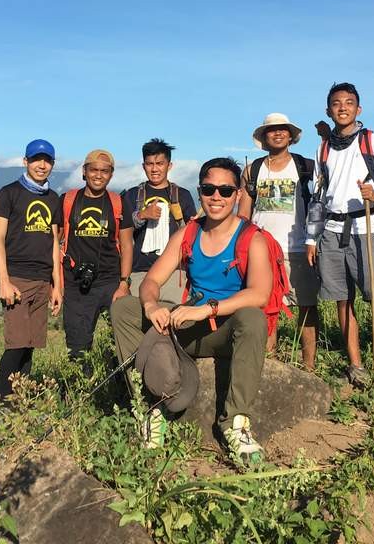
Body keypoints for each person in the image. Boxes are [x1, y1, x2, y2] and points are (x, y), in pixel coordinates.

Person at [110, 157, 271, 464]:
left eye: (226, 190)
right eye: (209, 189)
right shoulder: (189, 233)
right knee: (124, 309)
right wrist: (151, 304)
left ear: (238, 195)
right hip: (189, 326)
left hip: (224, 330)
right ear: (200, 192)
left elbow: (260, 294)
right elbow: (153, 280)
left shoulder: (252, 238)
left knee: (252, 317)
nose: (217, 197)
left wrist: (208, 310)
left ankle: (235, 423)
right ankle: (149, 405)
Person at [307, 82, 374, 387]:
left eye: (349, 102)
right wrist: (311, 238)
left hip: (365, 226)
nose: (343, 107)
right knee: (341, 299)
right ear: (328, 110)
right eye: (337, 103)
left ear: (358, 109)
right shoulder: (323, 148)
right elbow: (317, 196)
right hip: (331, 230)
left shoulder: (372, 142)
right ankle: (356, 363)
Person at [238, 113, 320, 370]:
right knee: (267, 309)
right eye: (271, 130)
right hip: (262, 250)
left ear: (290, 135)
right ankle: (270, 365)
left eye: (282, 129)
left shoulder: (305, 166)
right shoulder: (253, 170)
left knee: (306, 306)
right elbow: (244, 211)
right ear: (264, 137)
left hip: (299, 247)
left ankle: (309, 367)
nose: (277, 133)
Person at [0, 139, 63, 399]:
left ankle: (20, 401)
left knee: (30, 345)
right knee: (16, 345)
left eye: (46, 160)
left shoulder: (53, 198)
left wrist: (57, 285)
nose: (41, 165)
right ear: (25, 161)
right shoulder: (8, 193)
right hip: (17, 278)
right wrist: (3, 280)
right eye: (36, 159)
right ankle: (2, 403)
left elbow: (54, 241)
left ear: (52, 164)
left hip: (43, 280)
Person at [60, 149, 134, 358]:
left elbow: (127, 244)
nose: (99, 175)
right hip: (76, 284)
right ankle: (79, 390)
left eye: (105, 171)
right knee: (77, 347)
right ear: (84, 172)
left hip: (110, 281)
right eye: (93, 170)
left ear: (111, 174)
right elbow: (53, 242)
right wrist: (55, 284)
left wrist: (124, 282)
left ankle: (118, 388)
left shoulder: (118, 203)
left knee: (120, 342)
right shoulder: (68, 200)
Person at [123, 138, 197, 304]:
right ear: (143, 166)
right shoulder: (132, 195)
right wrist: (142, 215)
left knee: (174, 321)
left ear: (169, 165)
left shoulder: (182, 195)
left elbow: (191, 232)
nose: (154, 169)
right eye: (149, 164)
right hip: (140, 273)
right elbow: (123, 232)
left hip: (175, 274)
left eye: (159, 163)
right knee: (142, 320)